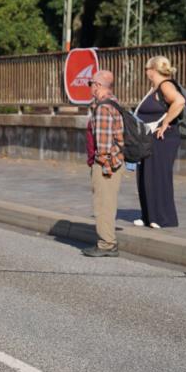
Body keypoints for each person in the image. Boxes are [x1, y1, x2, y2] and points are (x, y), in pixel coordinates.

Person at [134, 55, 184, 229]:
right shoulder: (154, 88)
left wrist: (165, 123)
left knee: (158, 176)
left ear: (153, 70)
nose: (145, 72)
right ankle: (148, 215)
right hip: (149, 138)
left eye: (146, 69)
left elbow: (179, 101)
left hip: (163, 138)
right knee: (145, 175)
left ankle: (163, 217)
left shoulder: (166, 85)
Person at [82, 70, 125, 257]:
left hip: (107, 164)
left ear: (98, 85)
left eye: (91, 83)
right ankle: (107, 241)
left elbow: (104, 144)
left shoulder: (103, 108)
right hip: (115, 162)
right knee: (107, 203)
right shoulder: (114, 103)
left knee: (103, 204)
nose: (90, 87)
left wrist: (103, 168)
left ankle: (107, 244)